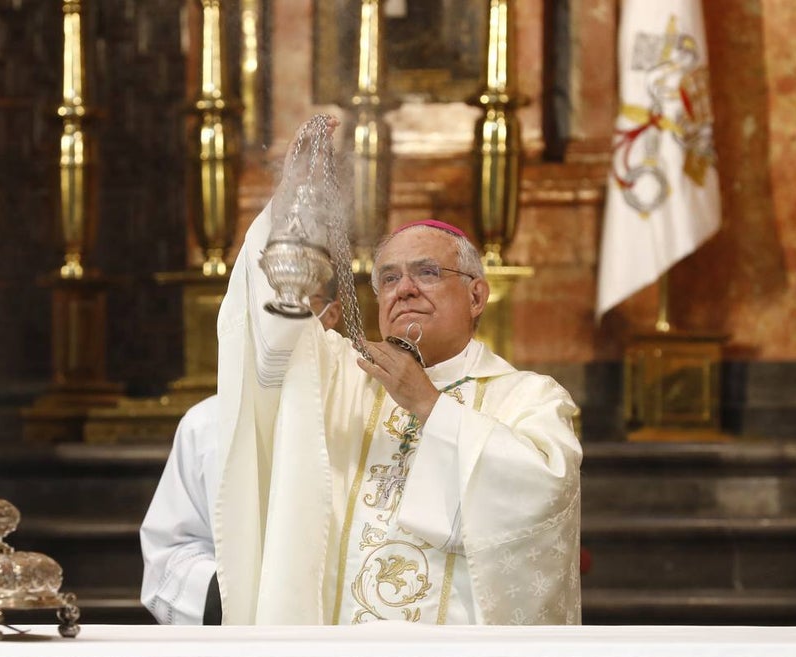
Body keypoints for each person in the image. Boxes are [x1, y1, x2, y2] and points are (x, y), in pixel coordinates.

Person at [211, 116, 583, 626]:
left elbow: (543, 490)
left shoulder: (529, 398)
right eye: (388, 278)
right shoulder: (342, 373)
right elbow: (266, 326)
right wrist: (291, 201)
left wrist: (430, 406)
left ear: (477, 295)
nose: (404, 288)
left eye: (427, 273)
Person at [140, 290, 342, 625]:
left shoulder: (360, 415)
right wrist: (248, 596)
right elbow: (171, 554)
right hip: (243, 637)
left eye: (294, 301)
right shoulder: (206, 424)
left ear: (331, 315)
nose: (276, 319)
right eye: (265, 301)